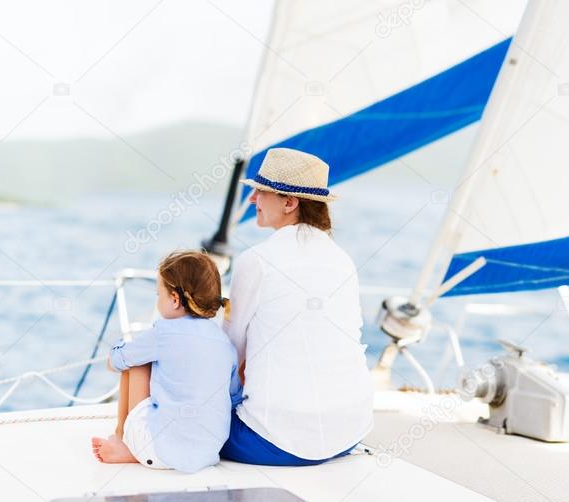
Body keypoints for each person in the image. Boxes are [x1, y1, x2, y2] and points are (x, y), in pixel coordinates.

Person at [221, 147, 374, 466]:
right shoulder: (342, 260)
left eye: (261, 192)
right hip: (346, 434)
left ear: (290, 202)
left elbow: (229, 349)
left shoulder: (257, 260)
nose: (252, 201)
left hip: (273, 441)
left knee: (183, 420)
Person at [91, 251, 238, 474]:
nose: (158, 300)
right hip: (208, 454)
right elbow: (234, 394)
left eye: (158, 294)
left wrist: (123, 346)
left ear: (175, 299)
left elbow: (116, 362)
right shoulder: (224, 342)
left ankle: (123, 440)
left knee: (136, 361)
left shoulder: (164, 332)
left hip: (158, 451)